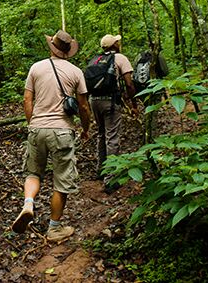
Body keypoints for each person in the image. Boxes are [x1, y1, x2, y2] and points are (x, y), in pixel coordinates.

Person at [11, 30, 91, 242]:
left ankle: (28, 204)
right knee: (62, 180)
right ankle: (54, 228)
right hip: (62, 131)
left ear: (52, 47)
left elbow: (27, 100)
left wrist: (33, 124)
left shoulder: (36, 68)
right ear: (68, 51)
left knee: (33, 172)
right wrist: (86, 128)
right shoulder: (76, 72)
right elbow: (83, 105)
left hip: (37, 128)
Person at [89, 34, 137, 192]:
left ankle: (100, 170)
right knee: (112, 137)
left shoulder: (95, 60)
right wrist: (134, 104)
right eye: (117, 42)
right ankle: (111, 179)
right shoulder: (120, 58)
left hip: (94, 101)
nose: (119, 43)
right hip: (110, 102)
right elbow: (129, 84)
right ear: (114, 46)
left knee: (101, 134)